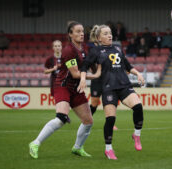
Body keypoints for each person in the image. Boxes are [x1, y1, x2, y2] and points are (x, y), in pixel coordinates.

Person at [29, 21, 100, 159]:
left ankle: (77, 148)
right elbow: (75, 74)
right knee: (61, 118)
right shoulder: (69, 50)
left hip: (75, 88)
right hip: (63, 86)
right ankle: (35, 143)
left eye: (82, 31)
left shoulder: (83, 50)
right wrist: (96, 76)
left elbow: (91, 67)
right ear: (70, 34)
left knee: (88, 121)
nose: (81, 34)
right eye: (77, 31)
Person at [78, 24, 145, 160]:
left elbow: (127, 65)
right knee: (110, 119)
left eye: (110, 33)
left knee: (138, 107)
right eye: (106, 33)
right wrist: (83, 78)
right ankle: (108, 149)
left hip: (124, 85)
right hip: (108, 88)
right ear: (99, 38)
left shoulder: (117, 48)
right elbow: (84, 65)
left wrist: (137, 73)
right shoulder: (96, 51)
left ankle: (136, 135)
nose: (110, 35)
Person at [87, 28, 118, 130]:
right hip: (96, 80)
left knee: (108, 102)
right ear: (98, 37)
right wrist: (93, 70)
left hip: (107, 79)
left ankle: (111, 124)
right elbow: (88, 63)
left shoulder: (108, 49)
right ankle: (87, 120)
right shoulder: (93, 50)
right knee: (94, 103)